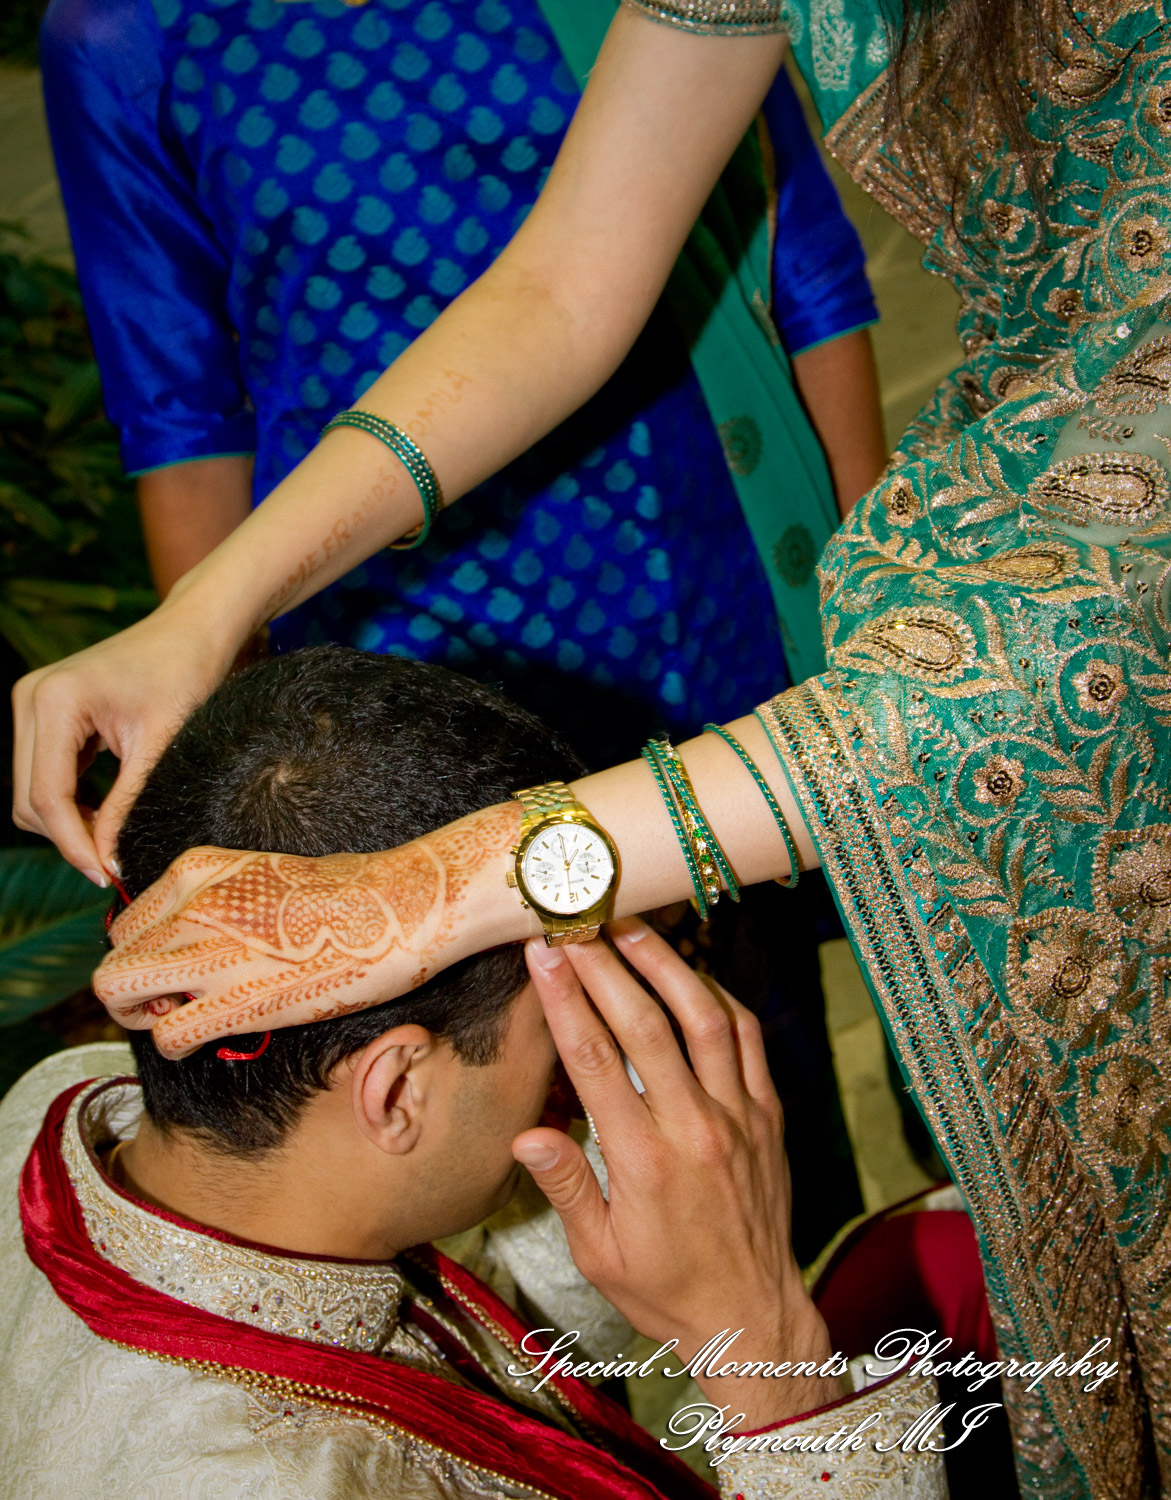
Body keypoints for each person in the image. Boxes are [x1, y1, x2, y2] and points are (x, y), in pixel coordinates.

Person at [14, 1, 1171, 1493]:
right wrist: (215, 602)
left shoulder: (45, 1130)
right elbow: (565, 283)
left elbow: (1012, 683)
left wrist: (449, 887)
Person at [35, 0, 886, 1257]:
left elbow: (890, 742)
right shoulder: (128, 35)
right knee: (489, 1130)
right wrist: (210, 618)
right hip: (407, 648)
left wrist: (879, 573)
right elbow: (560, 285)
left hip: (713, 587)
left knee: (747, 1072)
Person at [1, 645, 975, 1498]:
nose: (579, 1055)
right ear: (394, 1090)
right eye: (561, 1043)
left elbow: (497, 1365)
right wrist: (766, 1350)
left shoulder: (66, 1105)